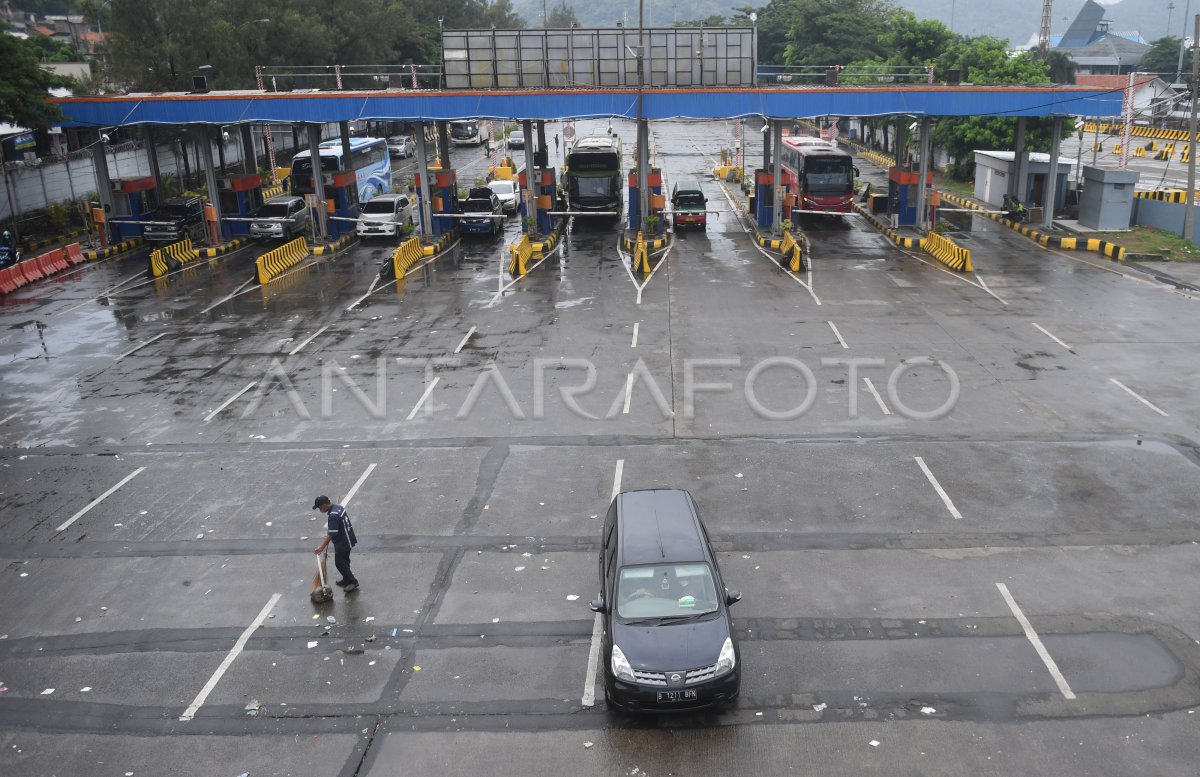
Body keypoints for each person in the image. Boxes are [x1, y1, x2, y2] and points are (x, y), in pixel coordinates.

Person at [312, 495, 359, 593]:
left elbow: (332, 533)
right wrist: (330, 534)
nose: (320, 510)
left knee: (340, 563)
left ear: (325, 505)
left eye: (320, 507)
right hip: (348, 538)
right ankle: (346, 579)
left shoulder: (333, 515)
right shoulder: (338, 507)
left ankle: (353, 581)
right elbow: (336, 529)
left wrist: (321, 547)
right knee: (345, 561)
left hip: (343, 542)